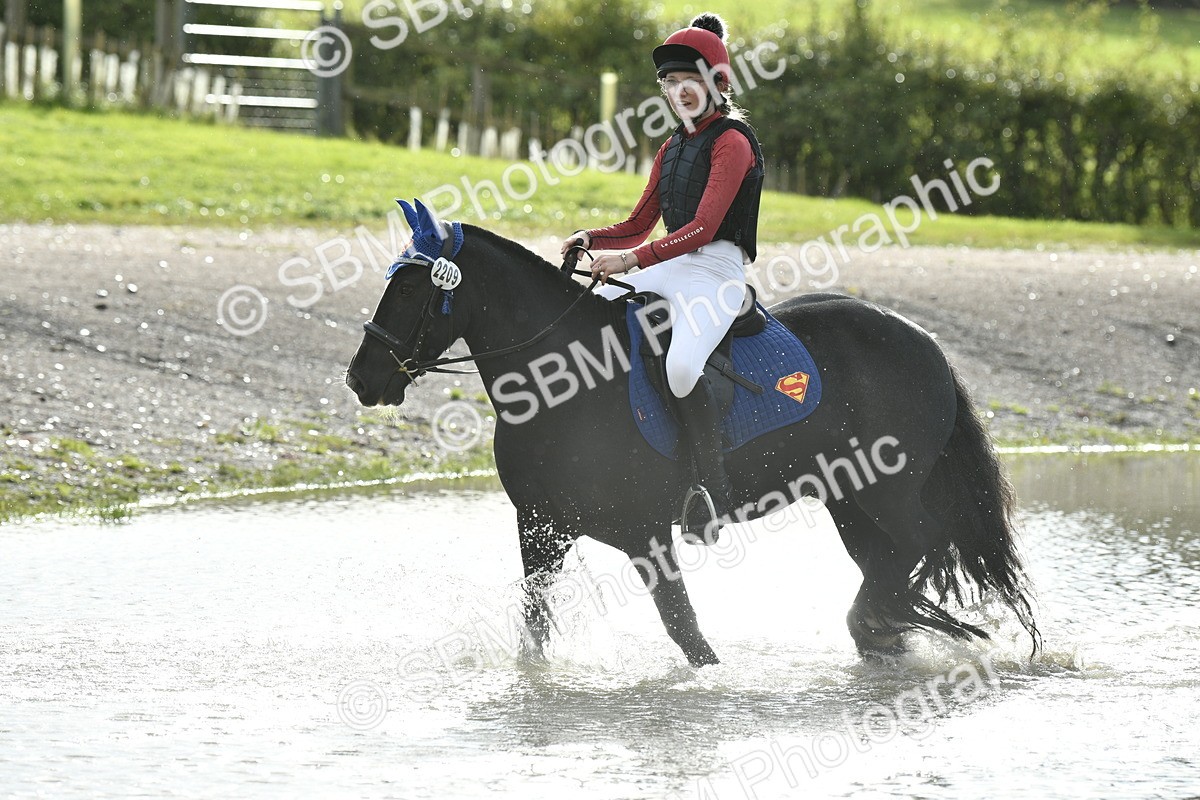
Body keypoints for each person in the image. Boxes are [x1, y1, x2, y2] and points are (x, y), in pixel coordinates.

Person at [560, 12, 765, 542]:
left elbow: (701, 229)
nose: (679, 92)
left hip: (716, 273)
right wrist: (592, 239)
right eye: (671, 84)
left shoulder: (733, 142)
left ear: (717, 83)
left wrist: (629, 261)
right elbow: (635, 226)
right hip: (670, 264)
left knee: (679, 367)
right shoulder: (671, 148)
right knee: (593, 313)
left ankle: (712, 497)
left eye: (689, 81)